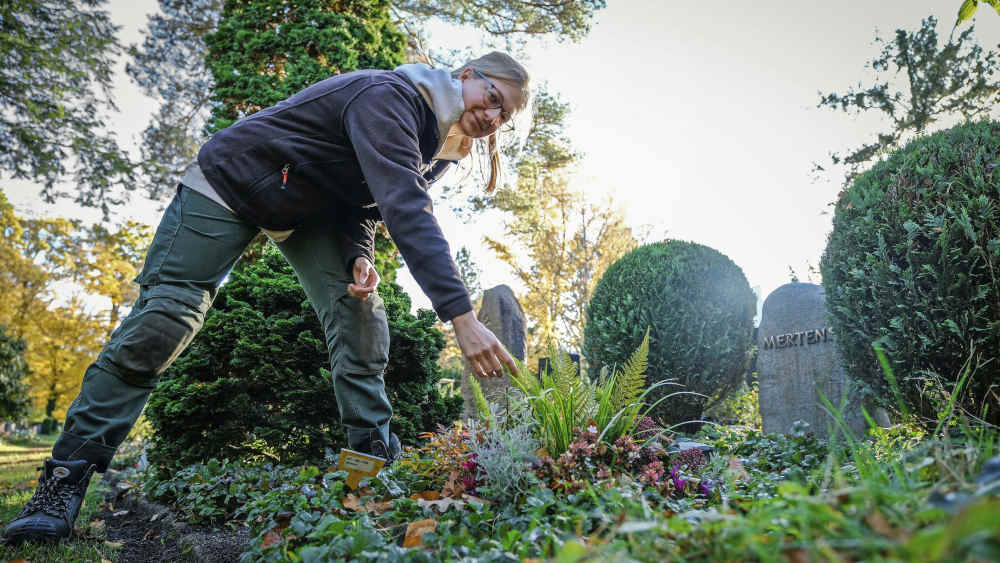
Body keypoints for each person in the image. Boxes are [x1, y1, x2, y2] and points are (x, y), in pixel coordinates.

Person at [3, 51, 529, 544]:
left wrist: (356, 254)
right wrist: (461, 316)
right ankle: (64, 481)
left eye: (504, 115)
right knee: (165, 321)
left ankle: (368, 476)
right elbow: (405, 208)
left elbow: (366, 204)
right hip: (234, 180)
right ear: (466, 75)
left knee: (360, 317)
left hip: (309, 211)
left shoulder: (443, 144)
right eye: (492, 98)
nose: (492, 116)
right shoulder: (389, 97)